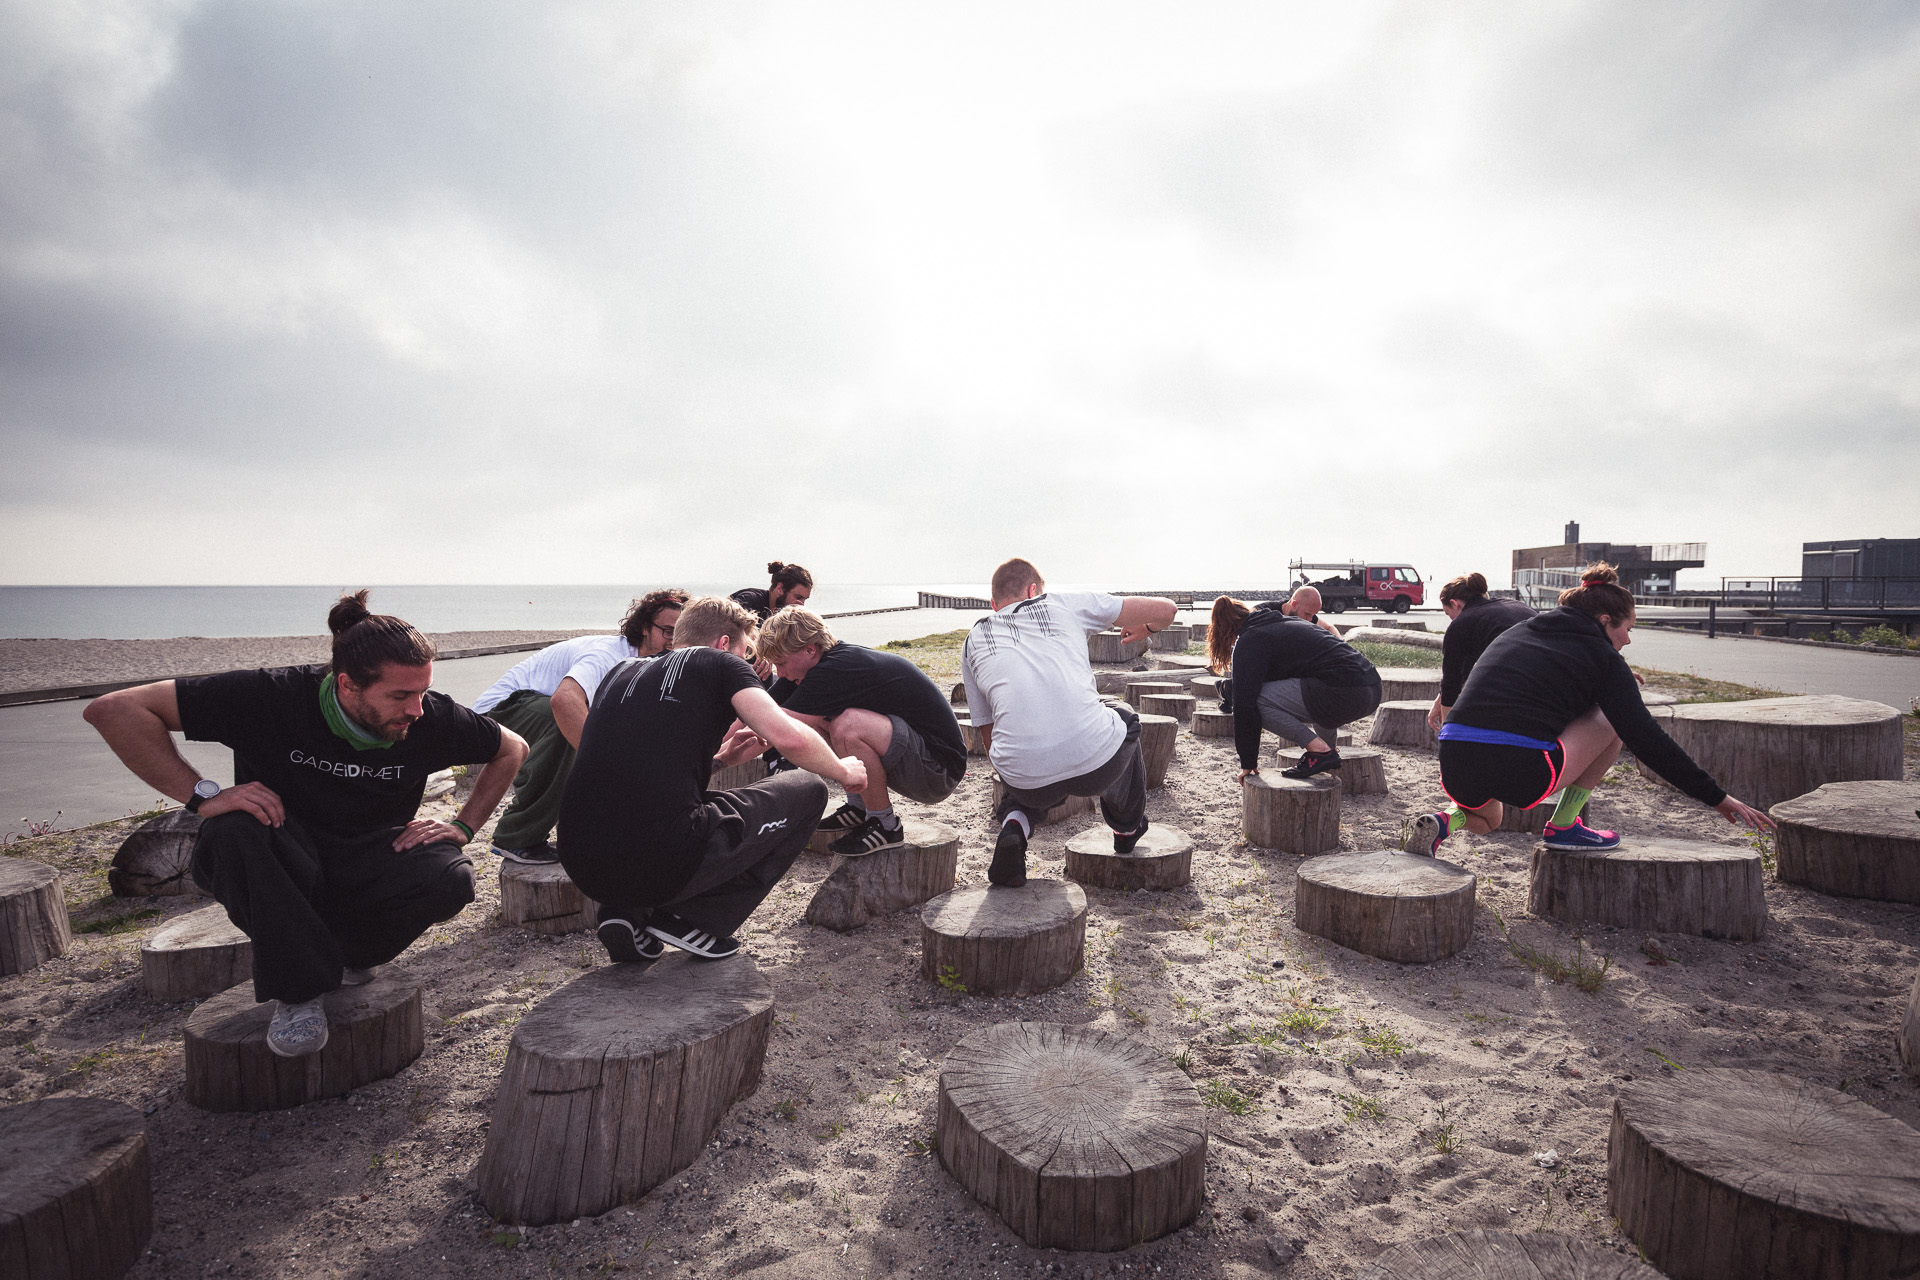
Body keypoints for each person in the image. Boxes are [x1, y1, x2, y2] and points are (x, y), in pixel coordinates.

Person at [81, 592, 527, 1058]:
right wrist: (202, 794)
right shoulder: (269, 697)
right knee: (232, 828)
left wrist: (463, 826)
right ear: (348, 685)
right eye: (400, 695)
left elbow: (512, 748)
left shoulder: (431, 717)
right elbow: (114, 710)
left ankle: (349, 957)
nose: (416, 709)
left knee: (451, 876)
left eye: (421, 691)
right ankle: (297, 994)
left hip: (369, 854)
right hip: (279, 856)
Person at [557, 595, 867, 963]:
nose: (748, 663)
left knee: (664, 813)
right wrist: (843, 770)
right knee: (810, 789)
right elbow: (790, 737)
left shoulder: (622, 670)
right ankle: (693, 920)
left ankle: (628, 914)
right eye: (746, 653)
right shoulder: (719, 662)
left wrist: (722, 759)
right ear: (724, 644)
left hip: (580, 861)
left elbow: (644, 772)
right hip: (658, 858)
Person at [1410, 565, 1773, 856]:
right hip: (1523, 772)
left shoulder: (1517, 632)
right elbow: (1646, 738)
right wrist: (1716, 797)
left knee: (1489, 819)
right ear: (1604, 621)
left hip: (1454, 758)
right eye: (1628, 628)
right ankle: (1565, 825)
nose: (1628, 639)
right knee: (1614, 722)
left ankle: (1443, 822)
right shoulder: (1602, 658)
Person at [960, 559, 1178, 887]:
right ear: (1034, 590)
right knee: (1125, 719)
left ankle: (1015, 825)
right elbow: (1167, 610)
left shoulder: (974, 639)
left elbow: (988, 733)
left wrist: (1020, 775)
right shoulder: (1064, 603)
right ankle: (1126, 828)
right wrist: (1146, 629)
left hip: (1026, 779)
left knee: (1020, 757)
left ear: (994, 605)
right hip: (1094, 764)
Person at [472, 589, 688, 863]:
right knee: (568, 728)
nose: (673, 641)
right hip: (495, 715)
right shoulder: (609, 655)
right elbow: (564, 702)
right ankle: (516, 837)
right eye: (667, 631)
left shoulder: (651, 665)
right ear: (645, 628)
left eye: (680, 634)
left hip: (536, 709)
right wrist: (603, 764)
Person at [756, 607, 967, 856]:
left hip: (938, 771)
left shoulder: (835, 669)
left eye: (781, 663)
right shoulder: (815, 666)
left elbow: (774, 728)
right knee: (824, 722)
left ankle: (885, 825)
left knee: (848, 725)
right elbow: (756, 710)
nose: (781, 673)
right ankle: (858, 808)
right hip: (917, 758)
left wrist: (723, 758)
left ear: (810, 650)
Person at [1208, 594, 1382, 781]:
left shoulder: (1251, 638)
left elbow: (1245, 705)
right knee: (1313, 686)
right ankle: (1328, 753)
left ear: (1225, 632)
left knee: (1255, 700)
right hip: (1372, 690)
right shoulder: (1288, 625)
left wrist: (1248, 763)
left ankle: (1320, 752)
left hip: (1345, 693)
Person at [1427, 573, 1534, 733]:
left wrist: (1447, 731)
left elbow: (1452, 682)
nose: (1451, 620)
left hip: (1515, 686)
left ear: (1454, 604)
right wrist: (1439, 700)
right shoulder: (1516, 606)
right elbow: (1466, 666)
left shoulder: (1461, 624)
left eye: (1448, 614)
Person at [730, 561, 814, 622]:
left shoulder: (785, 617)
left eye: (804, 599)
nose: (801, 605)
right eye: (798, 597)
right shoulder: (749, 601)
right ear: (780, 588)